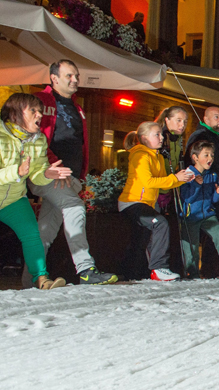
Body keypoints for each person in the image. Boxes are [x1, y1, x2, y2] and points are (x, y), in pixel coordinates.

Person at [26, 59, 117, 286]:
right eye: (69, 76)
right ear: (54, 78)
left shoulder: (78, 107)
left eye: (76, 75)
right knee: (74, 207)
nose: (75, 80)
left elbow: (80, 143)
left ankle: (29, 280)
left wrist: (81, 174)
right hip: (48, 173)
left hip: (71, 176)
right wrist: (51, 163)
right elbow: (30, 133)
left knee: (46, 231)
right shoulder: (39, 100)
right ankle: (86, 269)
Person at [1, 93, 72, 289]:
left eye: (40, 110)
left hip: (13, 199)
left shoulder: (38, 139)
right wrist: (16, 171)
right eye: (32, 110)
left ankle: (42, 278)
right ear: (15, 113)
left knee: (32, 235)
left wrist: (47, 173)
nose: (39, 114)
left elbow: (36, 173)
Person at [118, 122, 194, 281]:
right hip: (132, 202)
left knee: (143, 238)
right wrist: (175, 178)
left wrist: (183, 179)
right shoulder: (140, 155)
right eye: (157, 135)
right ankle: (159, 268)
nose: (161, 138)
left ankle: (136, 273)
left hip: (146, 204)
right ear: (144, 138)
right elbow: (149, 182)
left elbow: (163, 182)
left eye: (161, 134)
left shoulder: (157, 157)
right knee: (160, 223)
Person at [185, 106, 219, 278]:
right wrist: (195, 177)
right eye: (216, 116)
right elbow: (189, 167)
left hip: (209, 200)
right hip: (193, 205)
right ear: (205, 119)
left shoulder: (218, 137)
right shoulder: (200, 136)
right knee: (191, 241)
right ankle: (196, 270)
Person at [180, 141, 219, 279]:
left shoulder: (211, 175)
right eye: (206, 155)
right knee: (191, 245)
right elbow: (186, 198)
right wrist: (195, 184)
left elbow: (214, 200)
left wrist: (218, 192)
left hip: (207, 214)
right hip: (190, 215)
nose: (210, 158)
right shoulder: (187, 174)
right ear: (195, 157)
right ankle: (192, 272)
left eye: (211, 155)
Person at [155, 106, 188, 212]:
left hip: (169, 189)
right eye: (178, 120)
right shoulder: (157, 139)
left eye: (185, 121)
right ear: (167, 119)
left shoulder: (177, 139)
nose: (182, 125)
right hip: (154, 191)